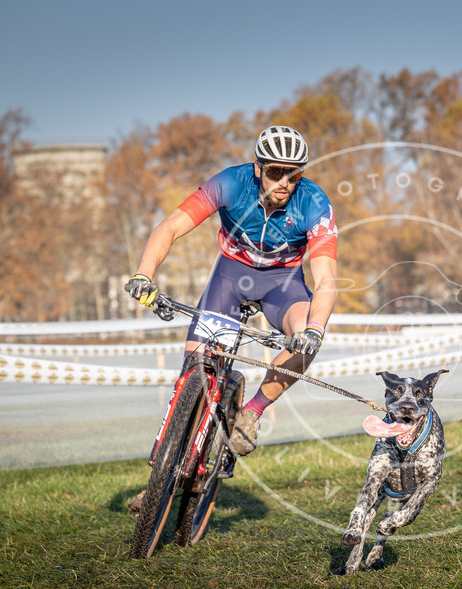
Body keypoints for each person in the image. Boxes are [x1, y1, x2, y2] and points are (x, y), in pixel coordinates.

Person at [125, 125, 338, 456]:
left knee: (306, 341)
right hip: (231, 275)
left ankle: (251, 412)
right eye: (276, 172)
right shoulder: (230, 183)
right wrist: (143, 274)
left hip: (282, 282)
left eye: (293, 174)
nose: (285, 182)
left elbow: (327, 278)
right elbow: (170, 227)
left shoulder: (313, 203)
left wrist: (314, 329)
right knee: (193, 371)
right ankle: (165, 471)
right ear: (258, 169)